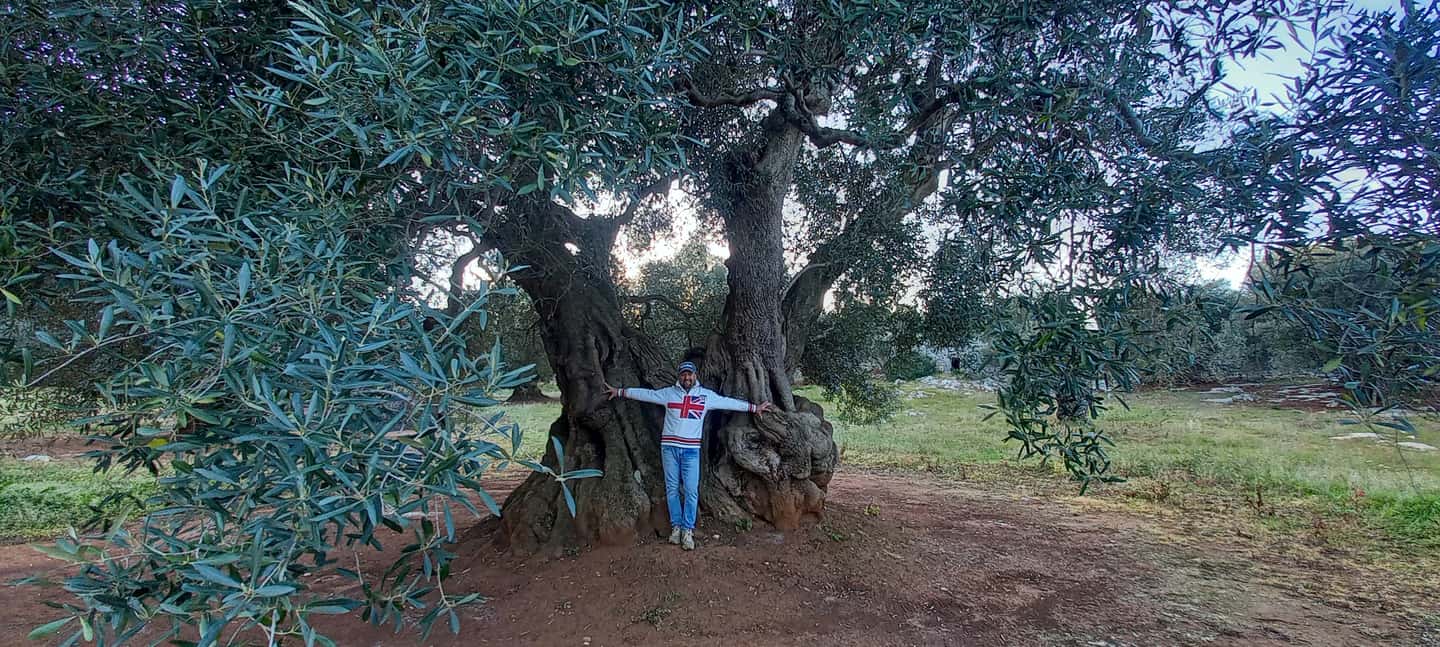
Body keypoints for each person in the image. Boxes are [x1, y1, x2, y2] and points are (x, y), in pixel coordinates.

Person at [604, 361, 774, 550]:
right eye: (684, 374)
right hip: (669, 449)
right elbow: (647, 395)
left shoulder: (705, 396)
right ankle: (676, 527)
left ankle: (687, 530)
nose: (687, 377)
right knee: (672, 489)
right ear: (679, 376)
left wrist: (753, 408)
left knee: (691, 491)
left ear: (695, 376)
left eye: (690, 374)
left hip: (691, 450)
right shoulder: (669, 394)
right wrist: (620, 392)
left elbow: (728, 402)